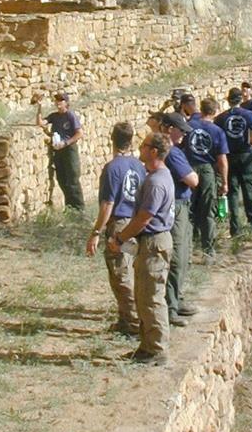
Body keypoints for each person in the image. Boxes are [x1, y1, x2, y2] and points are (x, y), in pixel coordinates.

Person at [106, 132, 175, 364]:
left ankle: (156, 350)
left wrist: (120, 238)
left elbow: (144, 218)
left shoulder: (156, 182)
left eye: (144, 145)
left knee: (151, 297)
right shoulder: (158, 176)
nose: (140, 148)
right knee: (144, 295)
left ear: (154, 151)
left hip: (154, 242)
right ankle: (147, 346)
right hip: (152, 242)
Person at [85, 122, 145, 336]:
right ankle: (125, 318)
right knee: (130, 271)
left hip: (120, 224)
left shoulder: (112, 168)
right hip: (136, 223)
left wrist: (96, 232)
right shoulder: (139, 166)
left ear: (112, 139)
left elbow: (107, 204)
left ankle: (133, 324)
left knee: (121, 274)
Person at [160, 112, 199, 326]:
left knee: (183, 254)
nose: (183, 135)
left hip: (180, 205)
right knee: (176, 256)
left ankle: (176, 299)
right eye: (180, 131)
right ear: (169, 129)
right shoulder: (173, 153)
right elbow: (192, 179)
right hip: (176, 206)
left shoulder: (171, 150)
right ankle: (171, 306)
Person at [185, 97, 229, 260]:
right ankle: (208, 250)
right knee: (208, 210)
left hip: (189, 169)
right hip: (207, 170)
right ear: (215, 111)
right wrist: (224, 182)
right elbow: (222, 160)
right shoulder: (217, 131)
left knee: (188, 209)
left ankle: (188, 249)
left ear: (201, 109)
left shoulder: (188, 126)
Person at [216, 88, 252, 235]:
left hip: (228, 157)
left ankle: (235, 227)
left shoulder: (220, 118)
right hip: (245, 155)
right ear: (241, 99)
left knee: (232, 192)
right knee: (248, 189)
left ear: (228, 100)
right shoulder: (249, 115)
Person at [36, 91, 84, 209]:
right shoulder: (54, 116)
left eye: (61, 100)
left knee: (72, 180)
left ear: (66, 103)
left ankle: (79, 209)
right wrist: (39, 107)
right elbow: (40, 123)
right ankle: (70, 207)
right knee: (61, 179)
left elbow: (79, 133)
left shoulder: (70, 115)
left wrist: (66, 143)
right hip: (58, 151)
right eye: (57, 100)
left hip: (69, 150)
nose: (58, 103)